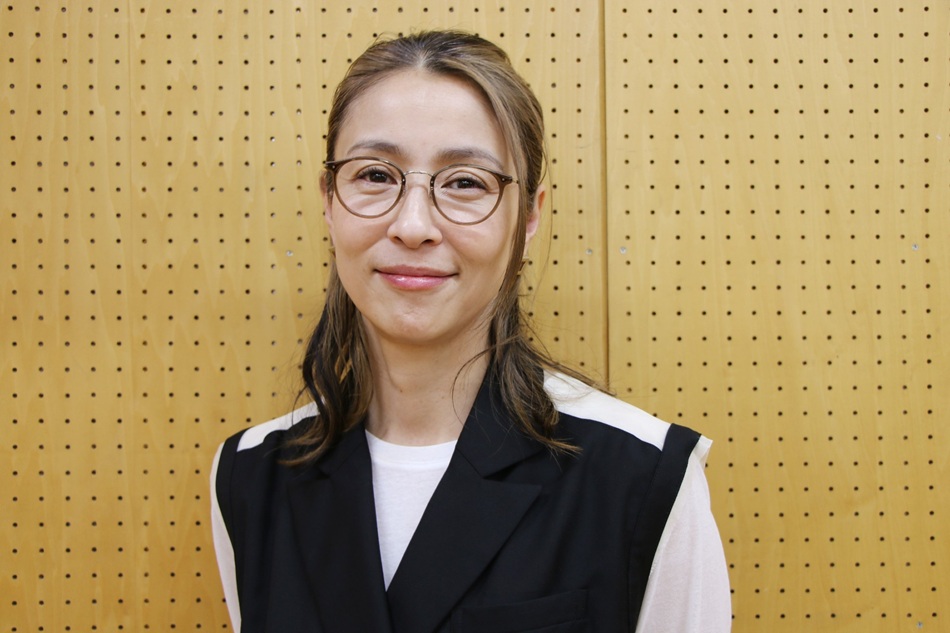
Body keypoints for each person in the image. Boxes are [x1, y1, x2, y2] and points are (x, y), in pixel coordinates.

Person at [210, 29, 731, 632]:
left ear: (528, 216)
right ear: (329, 200)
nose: (413, 226)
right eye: (374, 175)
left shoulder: (643, 477)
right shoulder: (250, 477)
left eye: (465, 182)